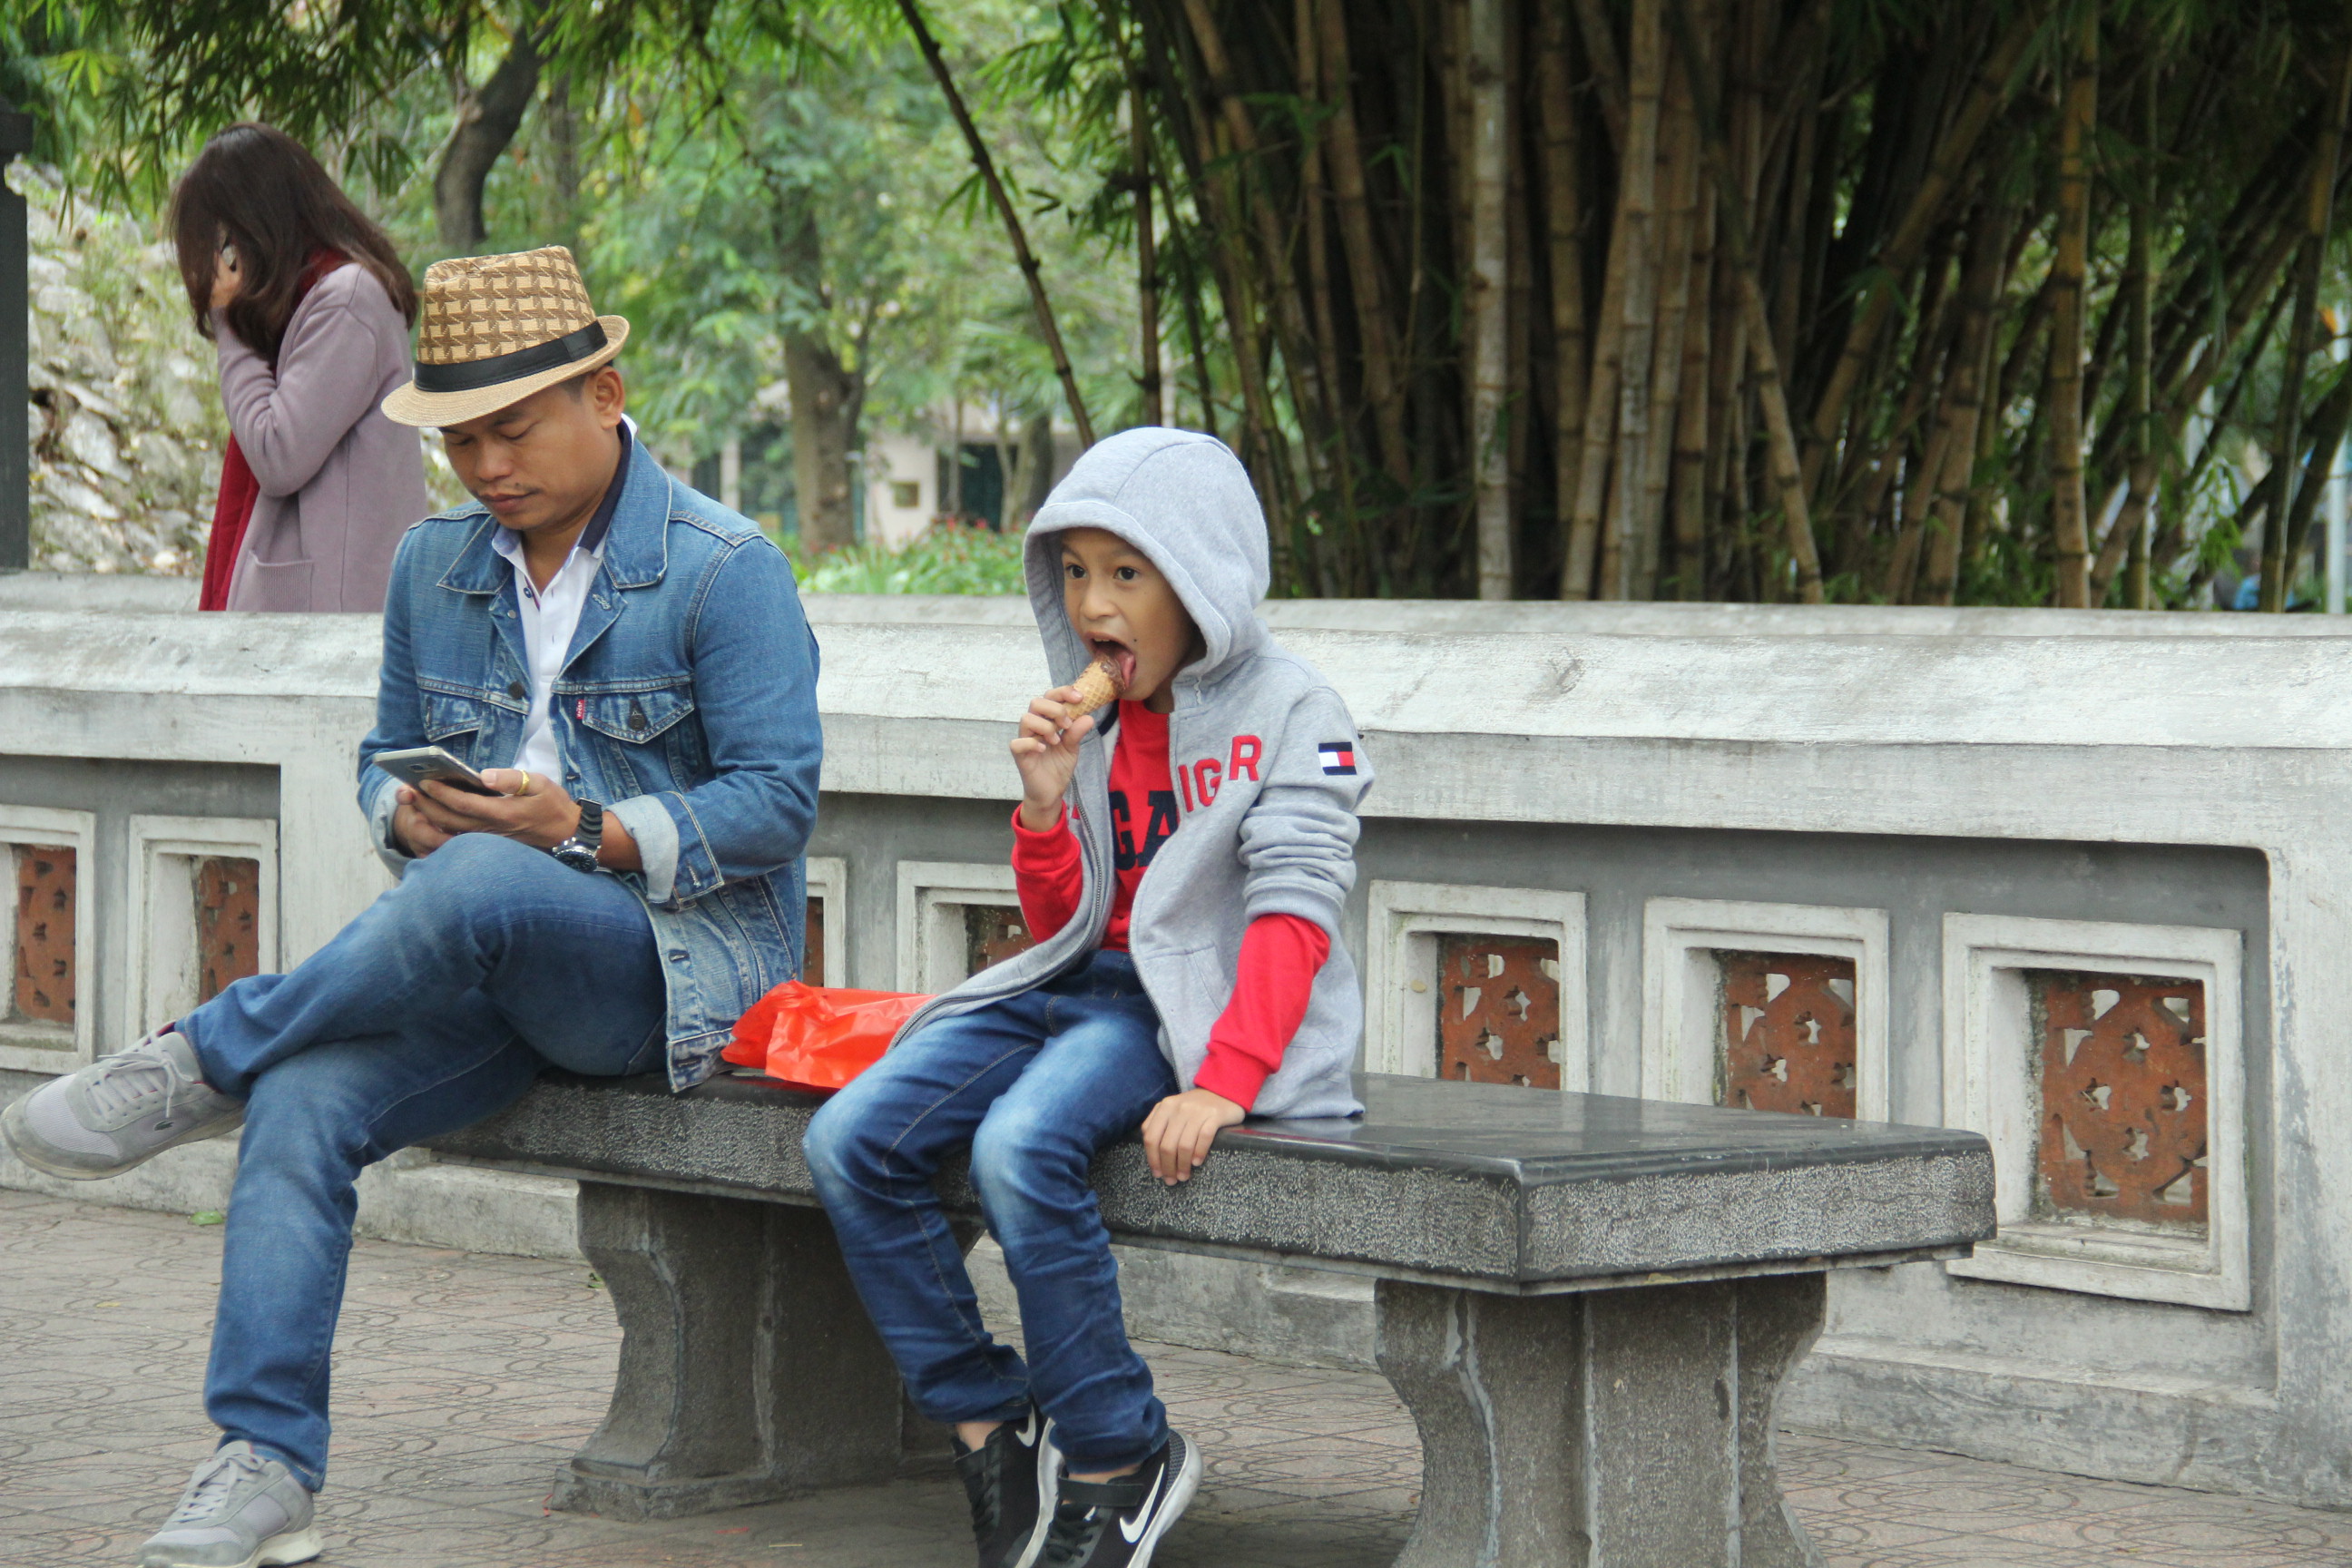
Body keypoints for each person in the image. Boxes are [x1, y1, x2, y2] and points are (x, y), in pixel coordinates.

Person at [1, 246, 821, 1568]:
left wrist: (584, 829)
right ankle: (264, 1465)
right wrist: (404, 812)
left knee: (486, 879)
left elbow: (777, 802)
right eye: (460, 439)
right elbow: (381, 757)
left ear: (605, 395)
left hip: (666, 969)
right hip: (481, 964)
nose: (487, 465)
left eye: (514, 428)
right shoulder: (432, 564)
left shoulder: (726, 569)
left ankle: (206, 1050)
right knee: (303, 1097)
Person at [805, 427, 1373, 1568]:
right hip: (1069, 987)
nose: (1093, 604)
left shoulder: (1295, 712)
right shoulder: (1099, 721)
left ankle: (1119, 1453)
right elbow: (1066, 914)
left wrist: (1222, 1083)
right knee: (849, 1141)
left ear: (1202, 578)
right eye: (1073, 571)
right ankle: (990, 1421)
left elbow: (1295, 915)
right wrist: (1042, 805)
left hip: (1181, 1018)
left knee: (1019, 1148)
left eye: (1126, 573)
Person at [172, 122, 431, 612]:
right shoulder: (313, 297)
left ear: (251, 230)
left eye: (223, 244)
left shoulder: (346, 300)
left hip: (335, 613)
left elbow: (277, 453)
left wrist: (229, 320)